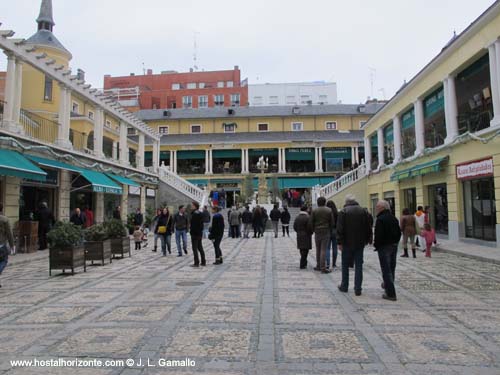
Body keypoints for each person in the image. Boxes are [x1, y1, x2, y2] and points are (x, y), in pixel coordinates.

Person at [337, 194, 372, 295]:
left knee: (345, 265)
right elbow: (368, 226)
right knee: (359, 265)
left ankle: (344, 285)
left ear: (346, 202)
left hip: (346, 242)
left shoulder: (343, 212)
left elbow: (340, 228)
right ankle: (358, 288)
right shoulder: (363, 211)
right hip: (360, 242)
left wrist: (339, 242)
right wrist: (368, 239)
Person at [373, 200, 401, 302]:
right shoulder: (393, 218)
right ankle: (388, 285)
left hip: (384, 247)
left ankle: (391, 293)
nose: (376, 209)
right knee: (391, 268)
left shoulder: (380, 219)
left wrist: (376, 245)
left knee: (386, 270)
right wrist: (396, 242)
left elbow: (378, 235)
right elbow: (399, 232)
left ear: (382, 208)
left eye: (377, 207)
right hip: (394, 245)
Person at [311, 196, 334, 274]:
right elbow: (332, 222)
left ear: (317, 202)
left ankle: (318, 265)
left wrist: (313, 229)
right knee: (323, 249)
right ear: (325, 202)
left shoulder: (314, 211)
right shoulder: (329, 210)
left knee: (318, 249)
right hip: (326, 230)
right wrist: (330, 230)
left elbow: (311, 221)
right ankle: (323, 267)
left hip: (317, 231)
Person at [0, 203, 15, 288]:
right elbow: (9, 234)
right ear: (2, 209)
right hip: (1, 244)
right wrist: (12, 245)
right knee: (4, 260)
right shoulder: (4, 219)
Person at [189, 201, 206, 267]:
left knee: (195, 248)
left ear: (195, 206)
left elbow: (194, 225)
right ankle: (203, 261)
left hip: (195, 234)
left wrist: (192, 232)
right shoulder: (200, 213)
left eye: (192, 205)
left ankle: (196, 262)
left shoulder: (195, 214)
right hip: (199, 233)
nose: (191, 206)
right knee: (200, 247)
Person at [326, 200, 339, 270]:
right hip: (335, 231)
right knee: (335, 248)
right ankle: (334, 263)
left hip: (328, 231)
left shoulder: (327, 212)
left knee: (327, 248)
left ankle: (327, 263)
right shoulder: (337, 212)